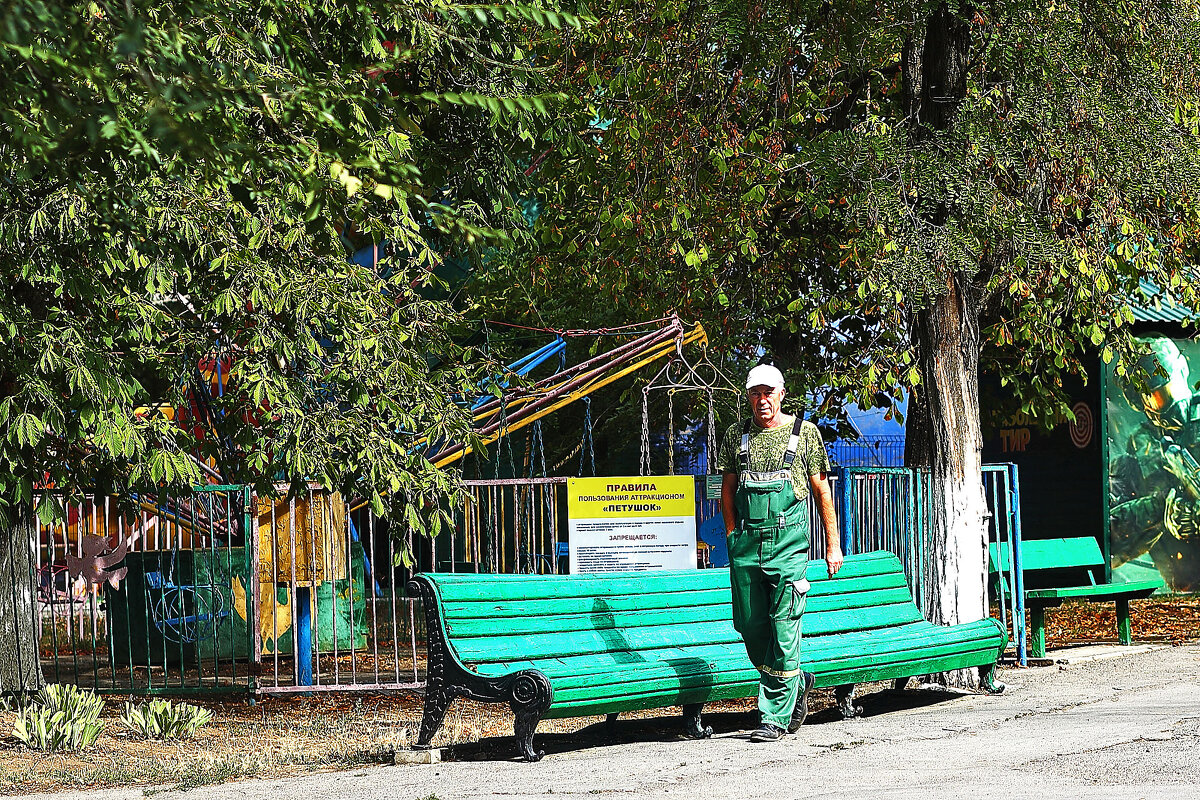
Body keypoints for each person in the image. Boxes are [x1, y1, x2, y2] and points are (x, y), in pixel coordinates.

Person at [719, 363, 843, 742]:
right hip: (746, 546)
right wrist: (730, 535)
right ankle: (796, 682)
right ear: (748, 396)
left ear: (781, 394)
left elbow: (822, 492)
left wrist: (833, 544)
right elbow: (726, 491)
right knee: (751, 625)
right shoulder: (734, 436)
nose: (762, 399)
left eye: (769, 392)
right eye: (755, 392)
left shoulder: (804, 434)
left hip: (788, 547)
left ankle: (772, 716)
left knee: (784, 626)